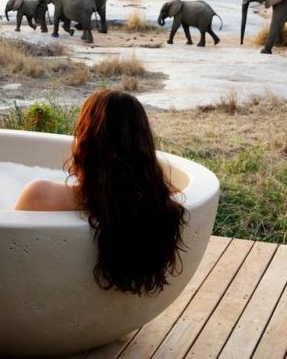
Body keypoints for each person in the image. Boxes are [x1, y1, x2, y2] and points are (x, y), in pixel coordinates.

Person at [15, 90, 187, 295]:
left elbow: (8, 259)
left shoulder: (41, 195)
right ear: (143, 145)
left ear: (87, 139)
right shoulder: (157, 210)